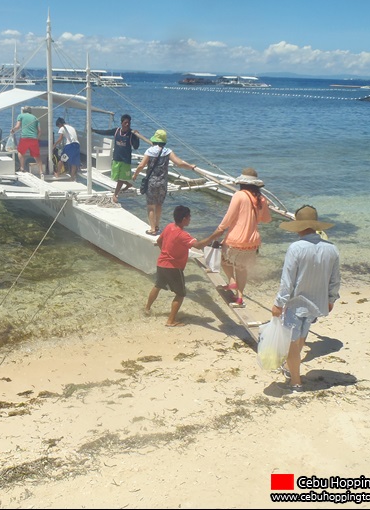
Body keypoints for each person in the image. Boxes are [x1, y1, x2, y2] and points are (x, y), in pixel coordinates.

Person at [271, 205, 341, 392]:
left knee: (293, 344)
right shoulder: (331, 249)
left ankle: (295, 381)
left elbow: (287, 281)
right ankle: (289, 367)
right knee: (301, 336)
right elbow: (335, 279)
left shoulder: (296, 248)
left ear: (298, 226)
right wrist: (331, 299)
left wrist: (278, 303)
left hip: (296, 303)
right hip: (316, 303)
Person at [144, 205, 221, 327]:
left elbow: (159, 241)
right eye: (189, 217)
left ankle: (147, 308)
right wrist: (213, 236)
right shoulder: (183, 235)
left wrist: (165, 252)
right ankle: (171, 321)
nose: (190, 219)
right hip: (173, 267)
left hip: (161, 263)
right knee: (180, 294)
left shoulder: (169, 227)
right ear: (184, 219)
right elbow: (199, 245)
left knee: (158, 285)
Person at [207, 167, 272, 308]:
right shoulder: (262, 199)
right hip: (252, 241)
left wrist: (219, 229)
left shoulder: (239, 195)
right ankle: (239, 298)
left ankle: (231, 282)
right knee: (242, 269)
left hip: (235, 238)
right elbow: (266, 219)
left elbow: (229, 217)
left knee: (224, 261)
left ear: (242, 182)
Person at [132, 129, 197, 236]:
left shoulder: (150, 151)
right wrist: (190, 166)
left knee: (150, 206)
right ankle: (157, 225)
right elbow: (179, 163)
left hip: (152, 183)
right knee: (159, 205)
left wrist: (135, 175)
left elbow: (141, 165)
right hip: (163, 183)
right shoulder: (168, 152)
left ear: (154, 140)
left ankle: (152, 229)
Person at [92, 114, 141, 203]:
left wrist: (137, 137)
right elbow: (105, 132)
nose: (127, 125)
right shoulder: (116, 131)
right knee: (115, 177)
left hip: (125, 160)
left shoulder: (131, 134)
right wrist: (94, 130)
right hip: (116, 158)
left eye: (129, 123)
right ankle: (128, 184)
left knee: (121, 178)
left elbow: (136, 147)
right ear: (121, 123)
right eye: (125, 123)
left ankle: (115, 194)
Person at [11, 106, 43, 178]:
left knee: (21, 152)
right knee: (37, 155)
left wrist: (13, 130)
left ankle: (22, 168)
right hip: (34, 139)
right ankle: (41, 172)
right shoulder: (35, 118)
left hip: (24, 138)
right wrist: (37, 138)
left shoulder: (21, 115)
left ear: (23, 111)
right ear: (30, 111)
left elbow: (18, 126)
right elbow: (40, 131)